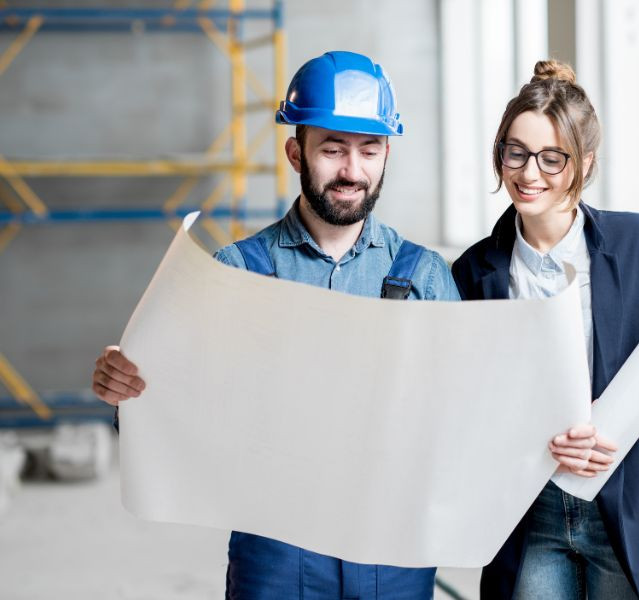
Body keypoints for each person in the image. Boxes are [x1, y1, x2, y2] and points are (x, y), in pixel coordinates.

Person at [92, 50, 460, 600]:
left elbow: (463, 417)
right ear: (296, 152)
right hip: (277, 551)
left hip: (393, 546)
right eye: (332, 150)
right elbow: (164, 412)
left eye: (369, 150)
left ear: (387, 154)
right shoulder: (237, 273)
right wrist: (126, 390)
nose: (351, 172)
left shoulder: (424, 277)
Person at [451, 60, 639, 600]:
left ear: (585, 162)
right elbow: (471, 406)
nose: (528, 173)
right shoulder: (475, 271)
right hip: (529, 515)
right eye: (515, 152)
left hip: (625, 508)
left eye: (552, 157)